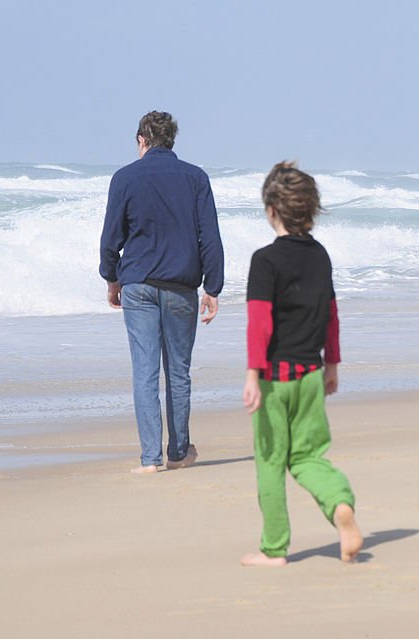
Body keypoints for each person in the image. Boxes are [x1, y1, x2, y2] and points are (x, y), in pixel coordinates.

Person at [241, 161, 362, 566]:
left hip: (275, 380)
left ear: (270, 210)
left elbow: (260, 322)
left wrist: (253, 374)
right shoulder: (320, 257)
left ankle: (274, 549)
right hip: (311, 374)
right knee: (309, 456)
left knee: (271, 461)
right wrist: (332, 366)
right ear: (310, 211)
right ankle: (339, 503)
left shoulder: (265, 261)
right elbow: (330, 315)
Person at [99, 110, 224, 474]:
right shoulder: (195, 178)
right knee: (179, 372)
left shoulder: (125, 178)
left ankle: (150, 459)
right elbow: (210, 237)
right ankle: (180, 453)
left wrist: (111, 278)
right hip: (182, 288)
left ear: (141, 140)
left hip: (138, 285)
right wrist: (212, 287)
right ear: (171, 140)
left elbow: (111, 237)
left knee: (145, 372)